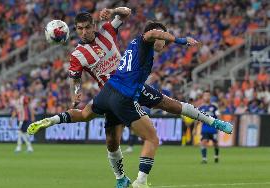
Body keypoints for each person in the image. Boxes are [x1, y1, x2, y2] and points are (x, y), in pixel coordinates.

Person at [28, 10, 232, 187]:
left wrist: (112, 9)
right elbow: (152, 33)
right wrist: (179, 39)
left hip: (110, 89)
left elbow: (125, 12)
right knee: (153, 134)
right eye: (163, 37)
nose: (164, 42)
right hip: (126, 92)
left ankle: (54, 121)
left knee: (95, 125)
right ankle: (140, 182)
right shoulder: (144, 41)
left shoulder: (115, 36)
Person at [197, 90, 220, 164]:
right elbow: (197, 118)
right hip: (205, 128)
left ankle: (216, 156)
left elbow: (218, 116)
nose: (207, 97)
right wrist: (194, 128)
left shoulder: (214, 107)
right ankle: (204, 159)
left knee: (215, 144)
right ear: (203, 97)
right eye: (205, 95)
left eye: (208, 95)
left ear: (210, 97)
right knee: (203, 142)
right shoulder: (201, 108)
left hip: (213, 129)